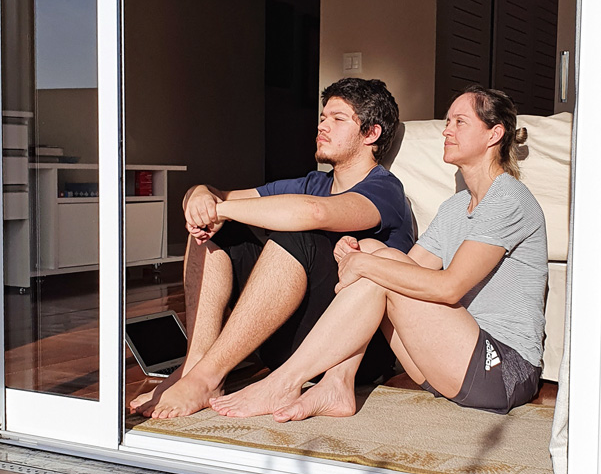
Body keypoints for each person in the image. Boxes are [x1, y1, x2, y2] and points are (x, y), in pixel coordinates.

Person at [210, 86, 548, 422]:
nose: (446, 130)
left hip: (501, 371)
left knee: (374, 261)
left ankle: (283, 382)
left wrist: (365, 264)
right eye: (447, 121)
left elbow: (449, 287)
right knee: (374, 251)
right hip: (446, 364)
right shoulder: (456, 207)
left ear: (495, 134)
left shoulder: (508, 198)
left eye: (460, 122)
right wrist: (357, 255)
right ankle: (337, 384)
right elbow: (406, 269)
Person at [129, 77, 414, 419]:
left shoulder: (385, 190)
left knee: (301, 232)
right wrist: (202, 196)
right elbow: (216, 196)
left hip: (345, 352)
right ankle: (197, 367)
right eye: (323, 117)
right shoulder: (313, 182)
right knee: (213, 233)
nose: (322, 126)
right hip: (285, 340)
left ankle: (207, 376)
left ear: (371, 134)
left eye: (338, 119)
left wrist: (219, 208)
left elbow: (314, 212)